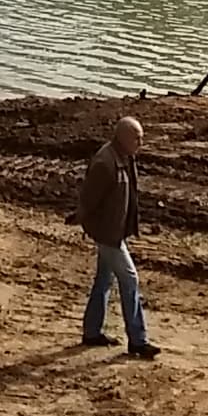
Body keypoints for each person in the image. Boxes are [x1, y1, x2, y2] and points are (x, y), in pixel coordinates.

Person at [79, 115, 157, 357]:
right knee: (130, 279)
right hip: (108, 235)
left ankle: (92, 332)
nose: (141, 143)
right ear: (123, 137)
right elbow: (89, 200)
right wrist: (91, 226)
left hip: (115, 232)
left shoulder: (124, 157)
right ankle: (138, 340)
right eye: (137, 138)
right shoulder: (105, 163)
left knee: (104, 280)